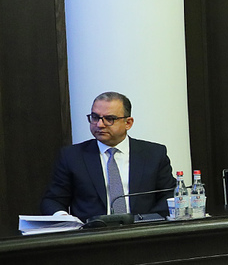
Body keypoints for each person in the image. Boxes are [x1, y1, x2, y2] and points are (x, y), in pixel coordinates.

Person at [41, 91, 174, 220]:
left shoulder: (153, 154)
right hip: (91, 232)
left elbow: (169, 194)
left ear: (128, 123)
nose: (100, 124)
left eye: (109, 119)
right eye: (95, 117)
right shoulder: (72, 156)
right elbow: (53, 200)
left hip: (143, 230)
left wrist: (149, 220)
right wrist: (64, 218)